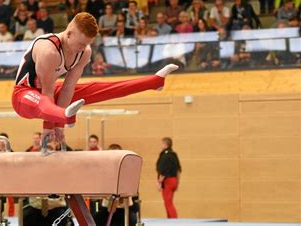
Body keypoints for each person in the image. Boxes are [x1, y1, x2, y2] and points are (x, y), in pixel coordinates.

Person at [12, 12, 178, 141]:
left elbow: (68, 87)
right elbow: (47, 93)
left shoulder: (85, 52)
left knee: (93, 89)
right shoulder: (49, 51)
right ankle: (66, 115)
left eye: (87, 44)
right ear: (69, 34)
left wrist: (60, 127)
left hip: (50, 97)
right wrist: (49, 128)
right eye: (80, 43)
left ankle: (153, 81)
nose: (83, 48)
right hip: (25, 96)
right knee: (43, 100)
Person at [156, 137, 181, 219]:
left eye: (162, 143)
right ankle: (169, 220)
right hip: (174, 180)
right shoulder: (174, 154)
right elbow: (178, 169)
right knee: (168, 201)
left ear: (165, 144)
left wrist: (159, 182)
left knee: (168, 202)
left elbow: (162, 169)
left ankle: (174, 220)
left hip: (168, 180)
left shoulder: (165, 155)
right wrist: (178, 182)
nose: (160, 145)